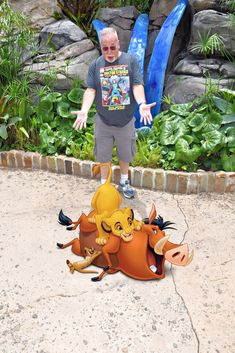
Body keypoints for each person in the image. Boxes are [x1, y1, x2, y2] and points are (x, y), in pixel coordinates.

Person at [72, 27, 155, 199]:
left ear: (118, 44)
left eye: (112, 47)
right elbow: (91, 90)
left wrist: (141, 103)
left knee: (125, 153)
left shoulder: (130, 61)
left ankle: (124, 181)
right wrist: (84, 110)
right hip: (103, 121)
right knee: (103, 155)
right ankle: (105, 186)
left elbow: (137, 85)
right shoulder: (96, 65)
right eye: (105, 48)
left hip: (125, 121)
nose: (109, 52)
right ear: (101, 47)